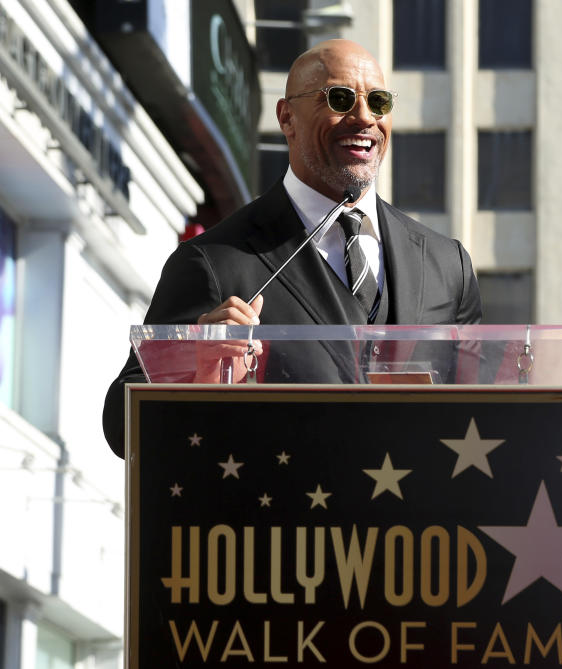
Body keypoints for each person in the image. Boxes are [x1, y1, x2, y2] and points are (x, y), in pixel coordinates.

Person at [102, 39, 482, 458]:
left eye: (378, 101)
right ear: (287, 117)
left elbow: (483, 417)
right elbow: (124, 425)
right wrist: (198, 367)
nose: (364, 118)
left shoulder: (449, 265)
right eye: (340, 99)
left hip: (415, 520)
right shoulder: (213, 261)